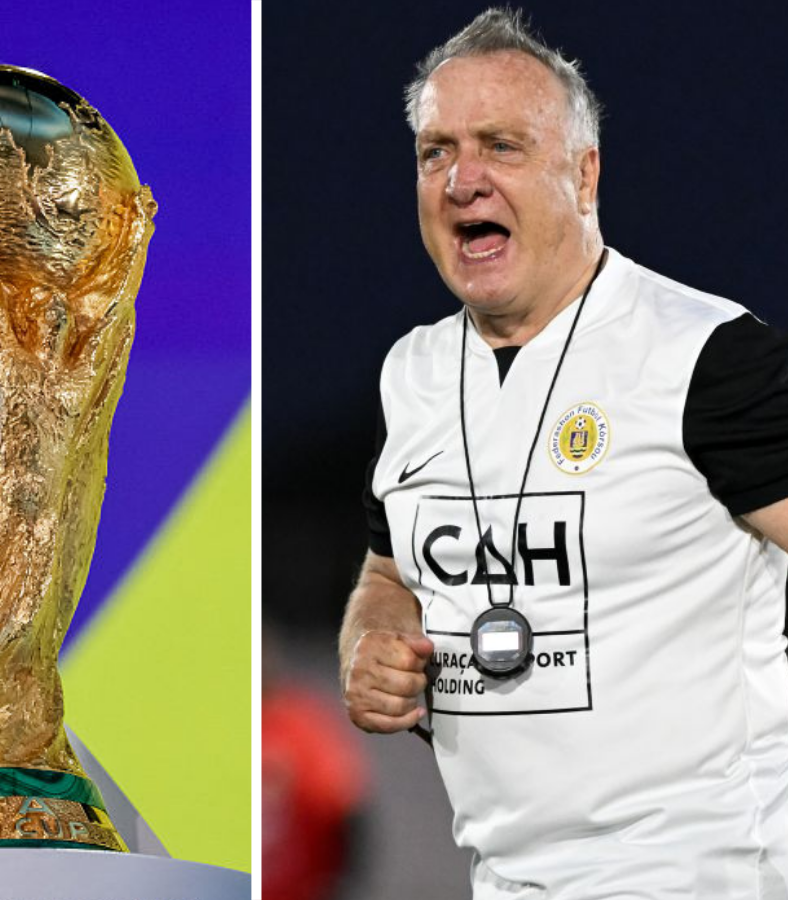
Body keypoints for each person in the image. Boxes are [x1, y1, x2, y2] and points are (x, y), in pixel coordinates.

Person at [340, 10, 788, 896]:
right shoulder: (414, 376)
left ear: (583, 174)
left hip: (697, 871)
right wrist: (372, 640)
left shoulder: (703, 356)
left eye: (501, 146)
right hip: (501, 874)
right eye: (436, 152)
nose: (463, 179)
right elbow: (387, 577)